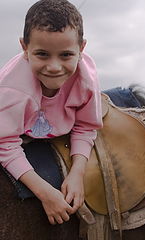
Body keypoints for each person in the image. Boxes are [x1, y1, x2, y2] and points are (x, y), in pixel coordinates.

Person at [0, 0, 103, 225]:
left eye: (66, 55)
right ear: (24, 48)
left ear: (81, 49)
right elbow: (5, 144)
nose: (54, 67)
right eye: (42, 54)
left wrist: (77, 173)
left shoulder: (87, 79)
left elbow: (85, 126)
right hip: (16, 124)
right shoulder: (12, 90)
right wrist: (45, 192)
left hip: (59, 125)